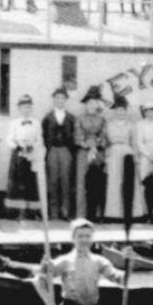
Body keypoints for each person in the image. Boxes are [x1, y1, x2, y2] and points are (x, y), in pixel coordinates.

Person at [41, 88, 81, 220]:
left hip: (66, 150)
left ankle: (65, 211)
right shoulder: (48, 117)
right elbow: (44, 135)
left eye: (62, 98)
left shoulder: (71, 118)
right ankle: (53, 212)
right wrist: (47, 151)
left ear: (66, 100)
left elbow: (75, 136)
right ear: (54, 100)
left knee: (66, 180)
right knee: (52, 181)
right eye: (57, 98)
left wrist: (70, 151)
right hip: (52, 150)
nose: (60, 101)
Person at [5, 95, 41, 219]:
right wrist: (18, 146)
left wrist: (32, 146)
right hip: (18, 154)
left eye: (28, 107)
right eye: (23, 107)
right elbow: (9, 140)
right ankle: (15, 213)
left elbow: (39, 139)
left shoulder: (36, 122)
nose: (26, 110)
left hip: (31, 154)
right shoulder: (14, 123)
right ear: (19, 109)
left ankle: (31, 213)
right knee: (17, 184)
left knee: (30, 183)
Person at [103, 97, 138, 221]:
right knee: (114, 182)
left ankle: (130, 213)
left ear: (126, 111)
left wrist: (135, 157)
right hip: (113, 153)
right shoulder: (109, 125)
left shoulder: (131, 125)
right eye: (118, 110)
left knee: (128, 181)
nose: (120, 113)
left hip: (127, 153)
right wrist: (106, 157)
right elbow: (105, 142)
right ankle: (114, 214)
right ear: (114, 111)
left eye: (123, 110)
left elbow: (134, 142)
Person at [78, 90, 110, 221]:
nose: (91, 106)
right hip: (84, 151)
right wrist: (89, 146)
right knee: (82, 183)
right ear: (85, 105)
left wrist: (95, 147)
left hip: (98, 152)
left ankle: (97, 214)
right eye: (89, 103)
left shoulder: (102, 119)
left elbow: (104, 136)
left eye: (94, 103)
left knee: (98, 183)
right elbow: (78, 136)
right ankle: (81, 214)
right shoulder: (79, 118)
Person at [133, 99, 153, 221]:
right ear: (144, 112)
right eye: (148, 111)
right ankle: (144, 212)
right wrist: (148, 154)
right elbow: (139, 142)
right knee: (144, 182)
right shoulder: (140, 124)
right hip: (145, 154)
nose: (151, 113)